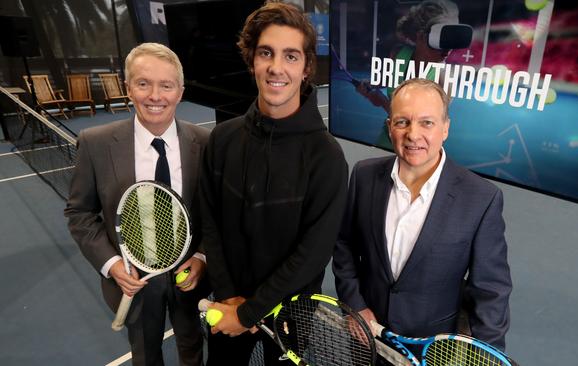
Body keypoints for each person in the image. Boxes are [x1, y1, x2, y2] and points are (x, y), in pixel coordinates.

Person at [199, 1, 348, 365]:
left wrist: (250, 312)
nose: (276, 67)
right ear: (252, 60)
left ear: (307, 67)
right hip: (228, 304)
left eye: (291, 56)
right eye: (266, 53)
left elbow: (312, 254)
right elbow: (210, 221)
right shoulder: (222, 139)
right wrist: (232, 298)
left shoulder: (327, 157)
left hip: (290, 314)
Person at [333, 78, 512, 352]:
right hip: (365, 334)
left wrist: (488, 357)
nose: (413, 134)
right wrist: (356, 306)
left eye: (426, 123)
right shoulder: (363, 175)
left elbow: (491, 292)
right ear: (389, 127)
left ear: (445, 129)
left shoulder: (481, 198)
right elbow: (344, 245)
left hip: (431, 348)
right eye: (402, 122)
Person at [65, 42, 209, 366]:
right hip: (134, 283)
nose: (155, 96)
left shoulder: (206, 143)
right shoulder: (95, 143)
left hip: (189, 279)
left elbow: (216, 214)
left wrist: (200, 257)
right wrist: (112, 264)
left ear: (180, 92)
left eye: (166, 85)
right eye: (144, 84)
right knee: (145, 355)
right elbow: (79, 213)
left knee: (192, 348)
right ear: (128, 88)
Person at [356, 0, 471, 148]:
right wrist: (371, 85)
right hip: (388, 137)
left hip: (418, 148)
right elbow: (387, 80)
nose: (448, 49)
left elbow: (420, 126)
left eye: (451, 38)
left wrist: (382, 102)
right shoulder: (398, 54)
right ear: (420, 37)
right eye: (441, 38)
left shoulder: (444, 80)